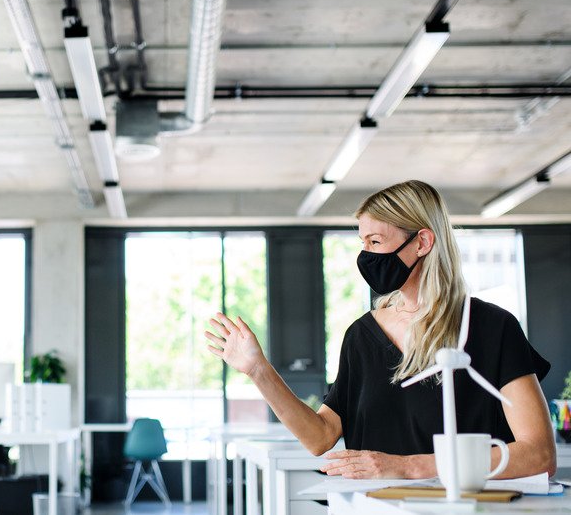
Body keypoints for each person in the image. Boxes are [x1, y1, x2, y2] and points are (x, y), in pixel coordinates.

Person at [205, 180, 556, 479]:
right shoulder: (361, 336)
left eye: (376, 242)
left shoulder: (491, 328)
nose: (366, 255)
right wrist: (258, 370)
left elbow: (539, 454)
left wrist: (410, 467)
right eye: (363, 243)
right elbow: (320, 437)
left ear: (422, 242)